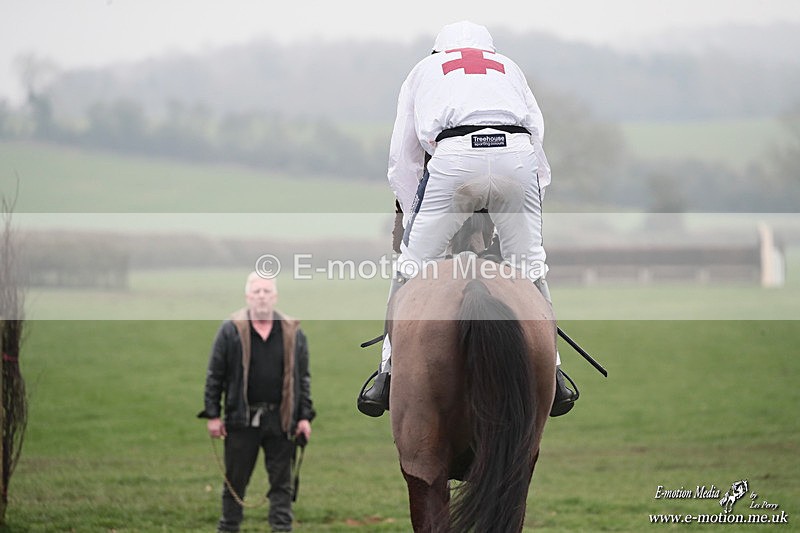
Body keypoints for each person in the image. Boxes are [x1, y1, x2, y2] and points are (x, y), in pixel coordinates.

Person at [357, 21, 578, 418]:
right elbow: (537, 139)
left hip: (455, 157)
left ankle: (386, 372)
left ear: (440, 50)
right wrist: (526, 203)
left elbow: (403, 160)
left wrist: (414, 219)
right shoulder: (509, 67)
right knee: (531, 270)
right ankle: (556, 373)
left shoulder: (423, 71)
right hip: (517, 156)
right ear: (487, 49)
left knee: (410, 269)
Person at [199, 272, 315, 533]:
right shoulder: (231, 329)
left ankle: (281, 530)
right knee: (235, 484)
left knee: (282, 487)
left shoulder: (292, 331)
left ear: (275, 296)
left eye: (266, 291)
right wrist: (213, 416)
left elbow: (302, 378)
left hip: (282, 420)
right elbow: (215, 374)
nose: (261, 296)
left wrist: (304, 417)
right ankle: (228, 528)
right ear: (247, 296)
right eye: (256, 291)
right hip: (241, 419)